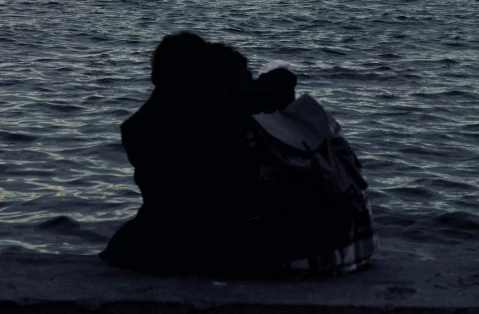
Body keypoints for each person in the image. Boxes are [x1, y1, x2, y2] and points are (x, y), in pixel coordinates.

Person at [100, 32, 376, 276]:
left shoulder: (142, 126)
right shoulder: (221, 116)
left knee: (127, 244)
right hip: (212, 234)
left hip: (181, 231)